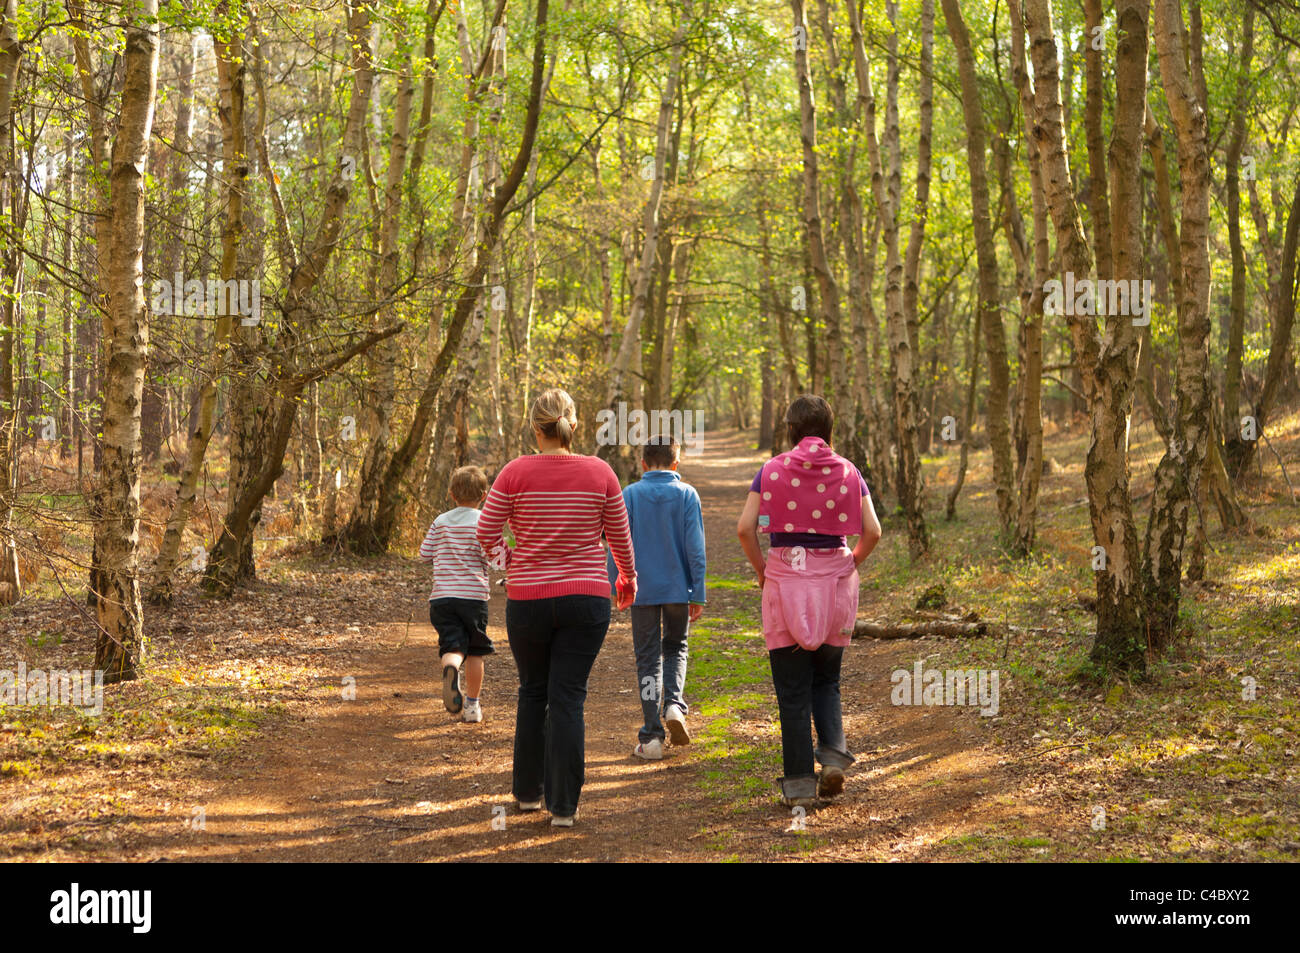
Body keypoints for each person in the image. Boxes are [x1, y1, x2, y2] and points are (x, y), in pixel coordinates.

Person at [477, 388, 637, 828]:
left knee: (533, 691)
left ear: (535, 428)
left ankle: (529, 794)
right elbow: (620, 538)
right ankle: (564, 807)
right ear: (574, 424)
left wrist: (512, 562)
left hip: (528, 600)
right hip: (586, 600)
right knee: (568, 697)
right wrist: (628, 577)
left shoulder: (514, 473)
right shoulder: (600, 472)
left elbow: (485, 532)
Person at [736, 394, 882, 808]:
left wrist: (763, 571)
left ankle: (800, 786)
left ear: (790, 431)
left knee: (792, 691)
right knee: (827, 680)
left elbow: (745, 528)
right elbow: (872, 531)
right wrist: (849, 562)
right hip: (836, 587)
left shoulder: (770, 471)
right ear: (830, 431)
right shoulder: (849, 471)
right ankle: (833, 756)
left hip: (785, 585)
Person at [606, 435, 707, 761]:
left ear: (643, 464)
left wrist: (615, 584)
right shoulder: (687, 494)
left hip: (641, 591)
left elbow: (617, 542)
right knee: (676, 647)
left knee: (648, 658)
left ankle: (651, 736)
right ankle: (674, 704)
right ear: (676, 463)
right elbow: (696, 548)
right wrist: (698, 592)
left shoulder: (630, 494)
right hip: (678, 591)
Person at [419, 465, 504, 724]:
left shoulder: (440, 521)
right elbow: (496, 559)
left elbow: (424, 554)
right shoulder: (484, 522)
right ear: (484, 496)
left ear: (452, 494)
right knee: (476, 652)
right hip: (473, 598)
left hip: (442, 598)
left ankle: (451, 667)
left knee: (452, 645)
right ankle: (472, 706)